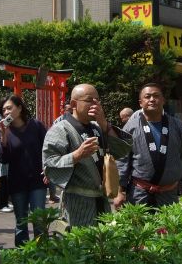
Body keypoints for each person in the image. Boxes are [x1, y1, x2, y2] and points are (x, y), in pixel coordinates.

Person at [43, 84, 133, 227]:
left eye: (97, 101)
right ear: (74, 104)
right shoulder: (60, 129)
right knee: (80, 239)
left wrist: (104, 124)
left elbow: (122, 151)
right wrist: (77, 155)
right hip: (77, 203)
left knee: (102, 240)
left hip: (102, 201)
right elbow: (49, 164)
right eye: (90, 100)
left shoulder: (98, 127)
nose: (95, 105)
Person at [114, 83, 182, 209]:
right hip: (139, 194)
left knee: (170, 222)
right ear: (140, 103)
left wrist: (181, 183)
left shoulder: (177, 125)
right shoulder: (130, 127)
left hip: (169, 194)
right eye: (147, 96)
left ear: (163, 100)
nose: (152, 99)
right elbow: (122, 160)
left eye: (156, 96)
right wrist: (120, 191)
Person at [0, 95, 48, 246]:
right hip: (17, 182)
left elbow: (47, 148)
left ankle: (44, 252)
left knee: (39, 219)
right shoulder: (6, 131)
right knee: (21, 221)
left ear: (19, 108)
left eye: (9, 108)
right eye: (3, 110)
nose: (6, 112)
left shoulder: (36, 125)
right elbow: (3, 159)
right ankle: (22, 254)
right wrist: (3, 136)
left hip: (37, 180)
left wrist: (48, 169)